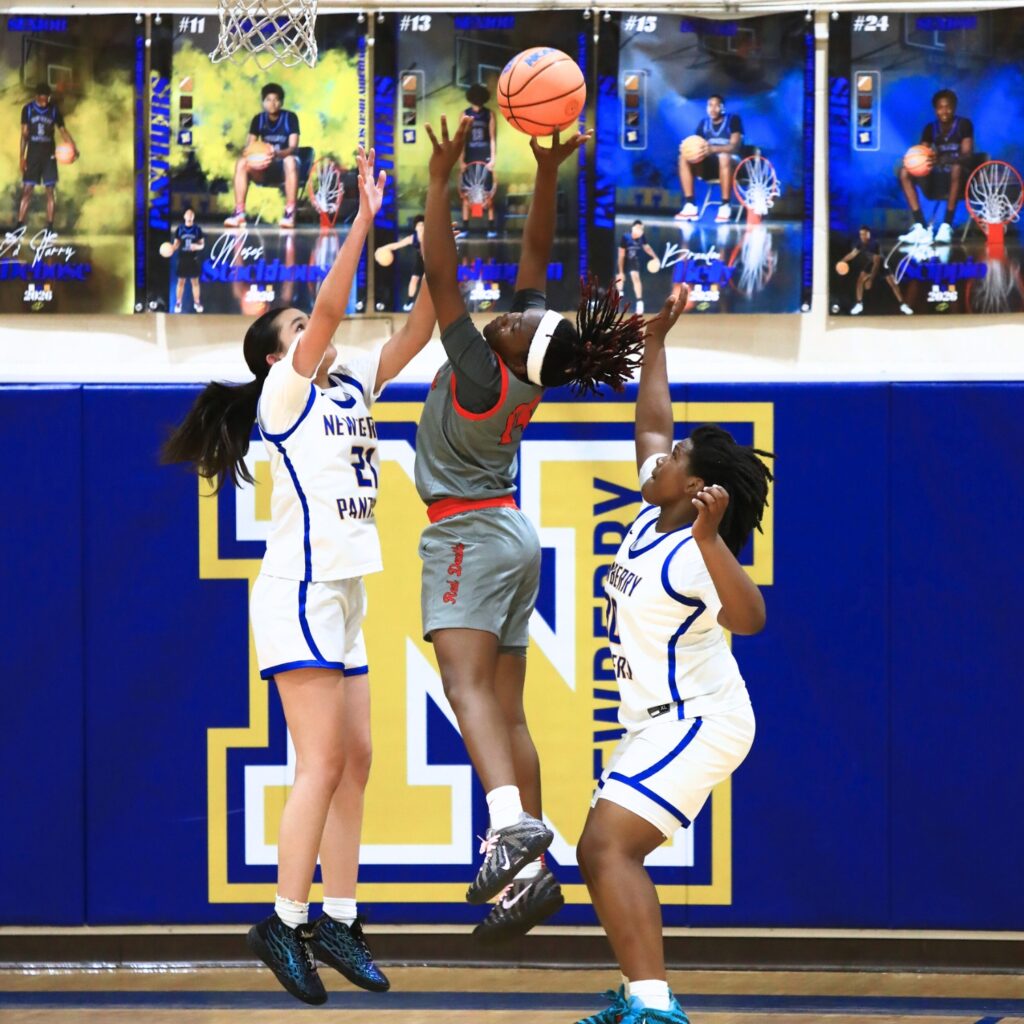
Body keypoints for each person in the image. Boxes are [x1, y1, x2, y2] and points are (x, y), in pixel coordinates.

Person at [163, 149, 437, 1004]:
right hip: (299, 593)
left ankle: (340, 920)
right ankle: (283, 920)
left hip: (344, 594)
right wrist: (362, 218)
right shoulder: (288, 393)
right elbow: (327, 304)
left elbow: (421, 329)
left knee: (357, 761)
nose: (314, 329)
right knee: (318, 761)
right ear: (277, 354)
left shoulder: (353, 382)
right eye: (295, 327)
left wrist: (438, 247)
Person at [418, 114, 646, 941]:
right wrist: (547, 171)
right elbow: (534, 264)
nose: (504, 315)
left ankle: (512, 826)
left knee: (464, 688)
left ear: (510, 353)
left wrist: (440, 180)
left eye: (511, 323)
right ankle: (532, 878)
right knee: (510, 714)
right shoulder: (525, 360)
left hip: (466, 535)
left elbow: (442, 273)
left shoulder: (479, 368)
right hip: (510, 533)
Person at [575, 291, 772, 1024]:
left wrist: (715, 541)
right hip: (656, 722)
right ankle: (643, 1000)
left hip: (703, 719)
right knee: (603, 851)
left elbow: (751, 619)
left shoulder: (695, 553)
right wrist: (655, 341)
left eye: (680, 456)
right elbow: (653, 419)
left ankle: (654, 1011)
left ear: (694, 488)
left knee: (605, 847)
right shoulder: (654, 505)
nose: (664, 452)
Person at [898, 89, 973, 246]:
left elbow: (967, 154)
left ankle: (946, 226)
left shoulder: (964, 124)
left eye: (948, 107)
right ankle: (921, 227)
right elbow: (921, 154)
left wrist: (946, 159)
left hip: (961, 178)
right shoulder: (930, 128)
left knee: (957, 167)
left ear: (954, 107)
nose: (944, 111)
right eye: (940, 107)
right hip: (938, 178)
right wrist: (912, 160)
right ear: (935, 109)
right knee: (904, 172)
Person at [225, 84, 301, 229]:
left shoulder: (290, 117)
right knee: (241, 162)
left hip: (283, 167)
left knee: (290, 160)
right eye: (268, 99)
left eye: (276, 100)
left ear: (281, 102)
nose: (272, 103)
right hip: (263, 168)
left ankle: (290, 213)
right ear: (263, 102)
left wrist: (276, 154)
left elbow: (293, 147)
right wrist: (254, 157)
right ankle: (239, 213)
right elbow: (249, 148)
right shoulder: (258, 119)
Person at [18, 84, 78, 231]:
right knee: (27, 190)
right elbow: (24, 135)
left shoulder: (53, 110)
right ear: (37, 97)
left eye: (47, 99)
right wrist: (21, 156)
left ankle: (50, 227)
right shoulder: (28, 109)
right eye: (42, 99)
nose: (45, 102)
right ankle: (19, 225)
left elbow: (63, 131)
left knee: (50, 190)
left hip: (49, 154)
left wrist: (73, 147)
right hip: (33, 153)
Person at [675, 96, 742, 224]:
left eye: (717, 105)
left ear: (723, 107)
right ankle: (690, 205)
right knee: (684, 157)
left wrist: (713, 149)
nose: (713, 108)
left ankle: (725, 206)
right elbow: (695, 144)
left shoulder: (733, 120)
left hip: (732, 163)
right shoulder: (704, 123)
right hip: (710, 165)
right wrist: (687, 148)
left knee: (724, 157)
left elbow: (735, 146)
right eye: (710, 105)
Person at [838, 225, 912, 315]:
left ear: (869, 234)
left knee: (893, 284)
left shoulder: (874, 244)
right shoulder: (860, 244)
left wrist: (870, 280)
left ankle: (903, 305)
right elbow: (852, 254)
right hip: (871, 263)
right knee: (860, 281)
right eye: (861, 234)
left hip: (881, 264)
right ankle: (859, 304)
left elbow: (877, 264)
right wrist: (842, 261)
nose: (863, 236)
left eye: (865, 234)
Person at [461, 84, 498, 238]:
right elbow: (461, 139)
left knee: (486, 194)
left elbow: (492, 138)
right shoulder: (465, 114)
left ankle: (490, 228)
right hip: (470, 155)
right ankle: (465, 228)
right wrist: (461, 160)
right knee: (467, 194)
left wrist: (493, 157)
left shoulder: (489, 114)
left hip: (484, 156)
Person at [616, 220, 658, 315]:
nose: (640, 230)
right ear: (633, 228)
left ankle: (640, 303)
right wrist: (621, 271)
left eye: (641, 229)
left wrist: (655, 257)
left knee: (636, 277)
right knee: (619, 278)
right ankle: (618, 299)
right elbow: (621, 254)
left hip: (633, 260)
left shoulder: (641, 237)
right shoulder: (625, 237)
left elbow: (646, 247)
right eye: (638, 228)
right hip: (623, 259)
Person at [170, 207, 205, 313]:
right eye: (188, 214)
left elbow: (202, 245)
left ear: (193, 217)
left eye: (191, 214)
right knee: (181, 282)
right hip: (183, 258)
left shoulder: (197, 229)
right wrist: (171, 248)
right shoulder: (180, 229)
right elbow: (176, 243)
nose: (189, 216)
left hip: (193, 258)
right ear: (184, 216)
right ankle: (178, 303)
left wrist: (196, 246)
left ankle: (197, 303)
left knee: (195, 282)